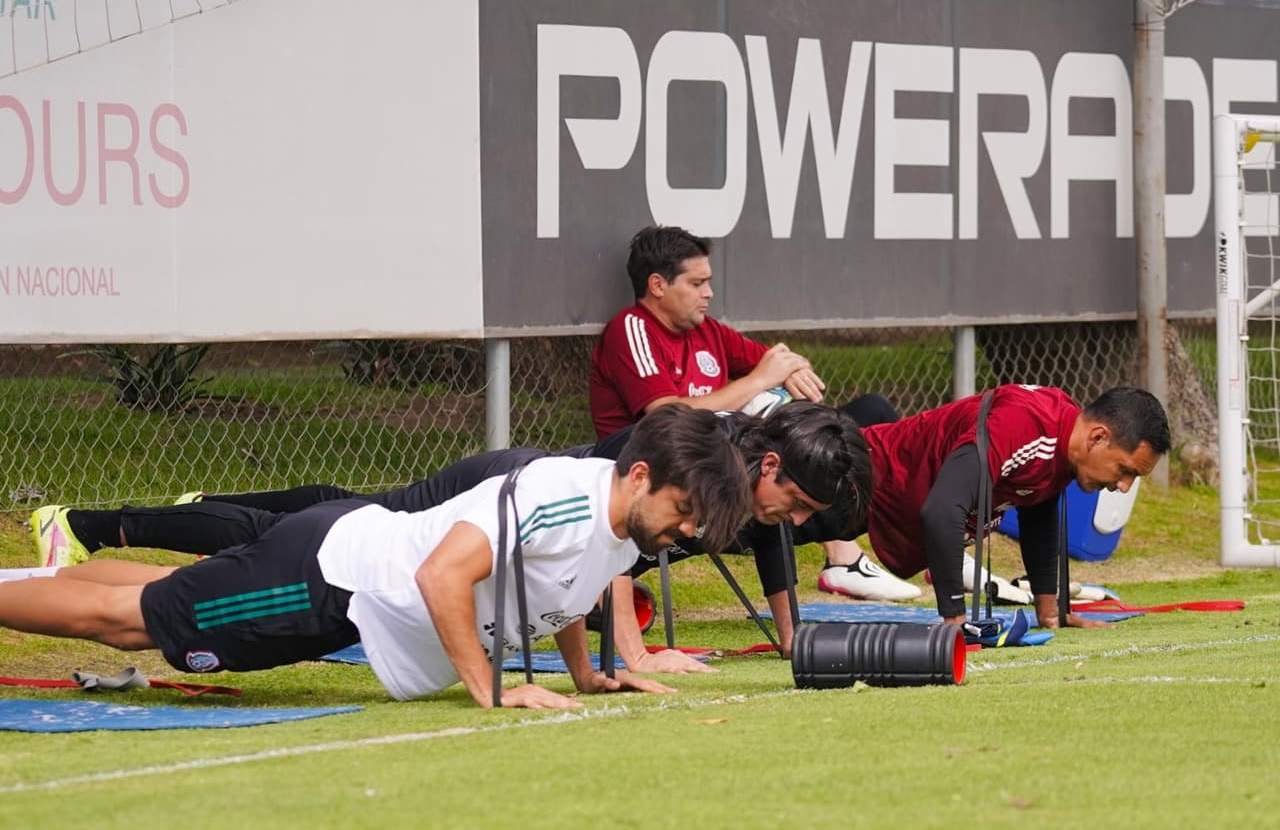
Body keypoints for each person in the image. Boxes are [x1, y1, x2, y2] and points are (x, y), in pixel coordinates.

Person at [29, 402, 876, 673]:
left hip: (348, 585)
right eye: (796, 504)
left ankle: (95, 549)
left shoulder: (652, 508)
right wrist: (488, 689)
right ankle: (94, 529)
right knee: (132, 620)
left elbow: (578, 577)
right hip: (344, 575)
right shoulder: (639, 475)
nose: (795, 526)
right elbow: (448, 574)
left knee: (182, 587)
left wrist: (594, 676)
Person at [587, 223, 917, 602]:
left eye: (708, 282)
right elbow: (663, 415)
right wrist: (760, 380)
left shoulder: (706, 330)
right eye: (696, 284)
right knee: (772, 422)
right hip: (677, 491)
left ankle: (879, 541)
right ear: (658, 285)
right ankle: (848, 553)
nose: (708, 293)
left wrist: (790, 369)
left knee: (866, 414)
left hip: (743, 484)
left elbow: (778, 361)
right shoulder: (631, 328)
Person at [740, 384, 1171, 650]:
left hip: (881, 500)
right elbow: (942, 510)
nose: (1123, 486)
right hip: (861, 486)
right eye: (1127, 470)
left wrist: (1052, 611)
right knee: (732, 529)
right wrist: (953, 622)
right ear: (1098, 436)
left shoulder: (1060, 437)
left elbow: (1040, 510)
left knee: (740, 529)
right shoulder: (1025, 425)